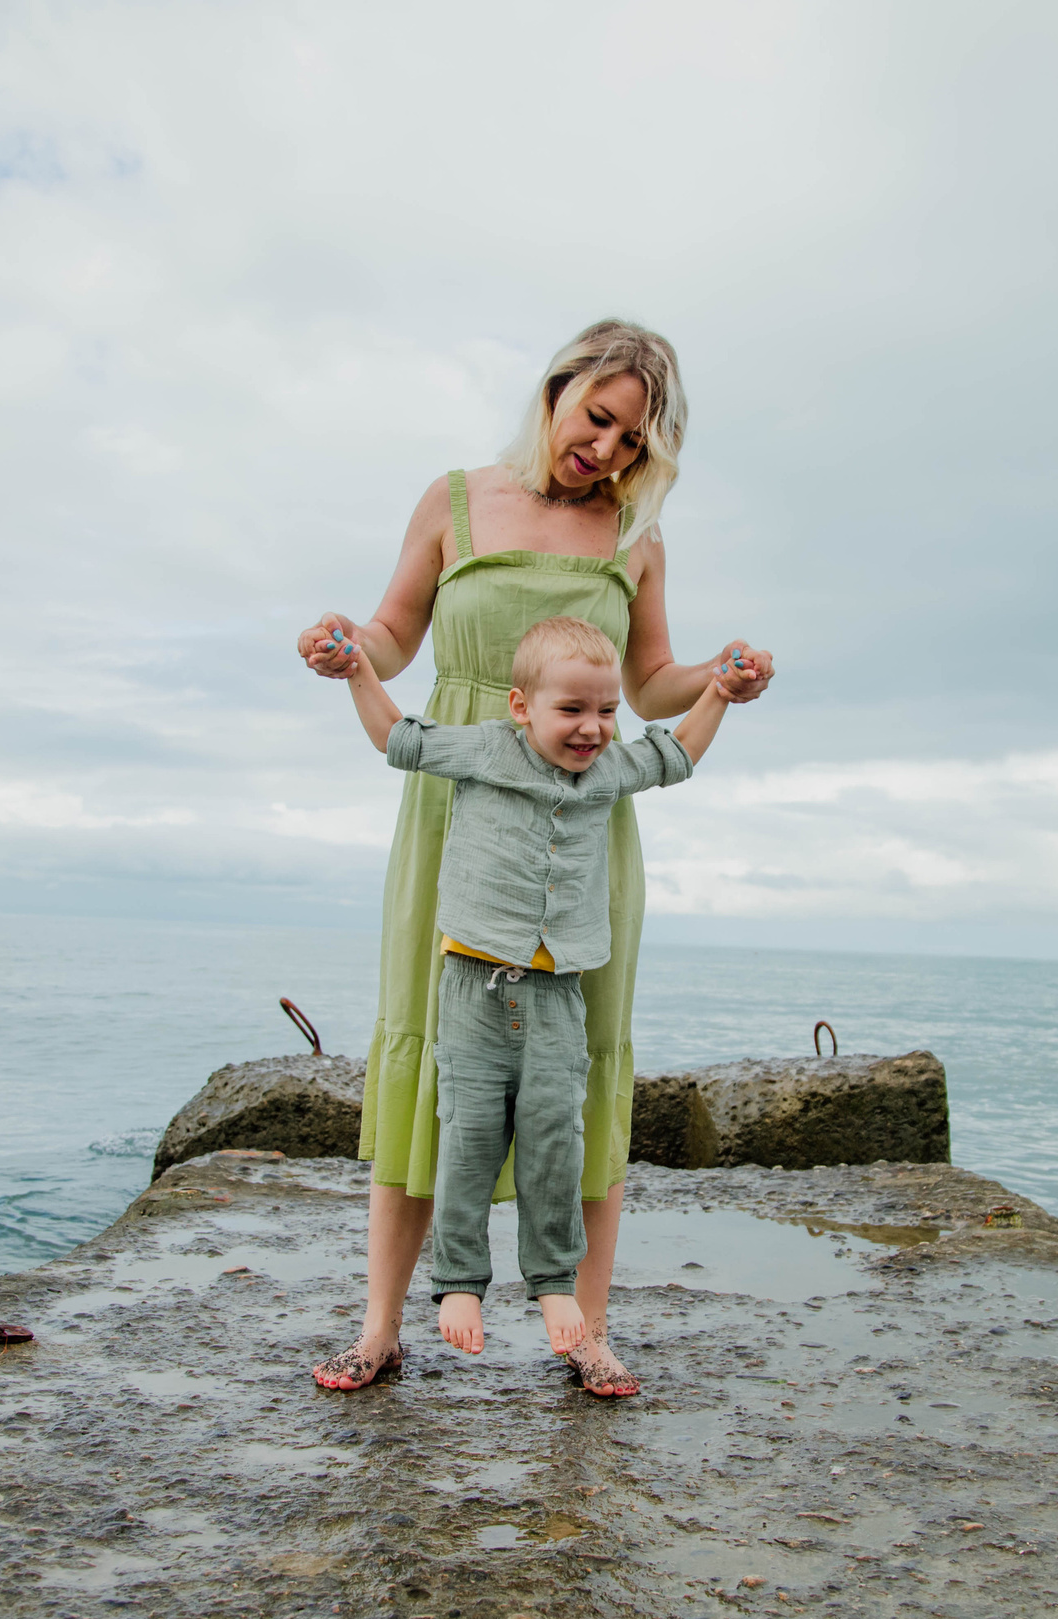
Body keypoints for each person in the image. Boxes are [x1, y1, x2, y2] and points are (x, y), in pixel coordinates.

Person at [296, 319, 775, 1396]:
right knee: (429, 1051)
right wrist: (343, 650)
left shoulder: (634, 535)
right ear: (558, 391)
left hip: (579, 833)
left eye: (631, 441)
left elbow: (648, 687)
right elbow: (391, 637)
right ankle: (380, 1328)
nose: (605, 451)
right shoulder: (453, 500)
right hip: (452, 814)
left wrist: (720, 682)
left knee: (585, 1066)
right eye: (597, 418)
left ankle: (586, 1330)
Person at [325, 615, 746, 1356]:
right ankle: (460, 1278)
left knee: (557, 1138)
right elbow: (400, 740)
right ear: (522, 707)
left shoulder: (610, 769)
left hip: (558, 996)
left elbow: (675, 753)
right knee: (468, 1137)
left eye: (607, 710)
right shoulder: (488, 747)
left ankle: (553, 1279)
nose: (593, 728)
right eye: (573, 710)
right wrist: (359, 667)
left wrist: (717, 689)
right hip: (471, 989)